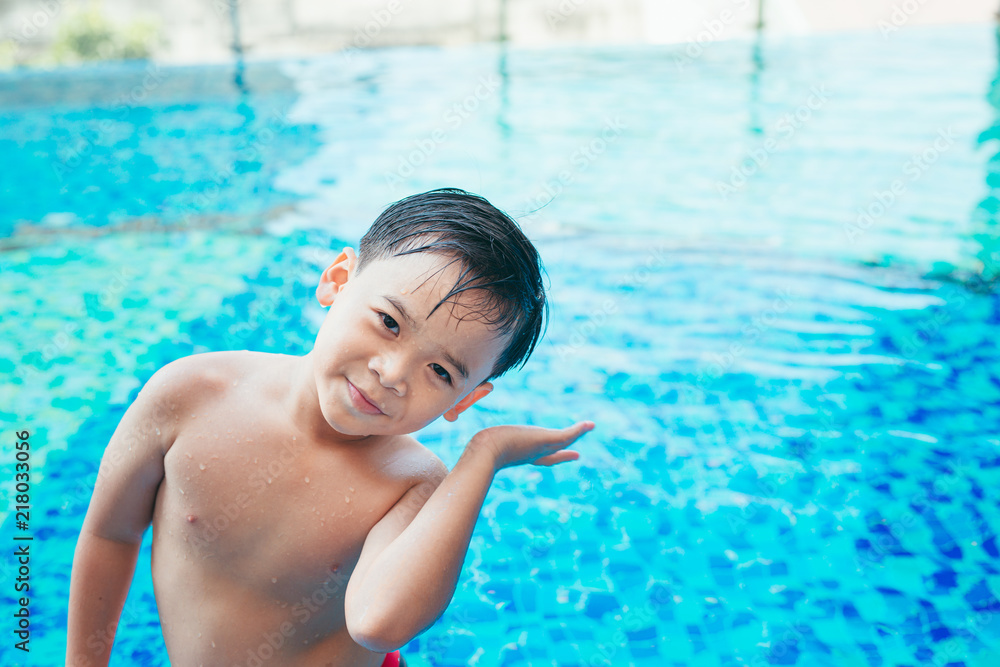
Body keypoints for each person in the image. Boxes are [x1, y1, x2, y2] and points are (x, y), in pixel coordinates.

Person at [66, 188, 594, 666]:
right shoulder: (188, 394)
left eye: (440, 371)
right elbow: (111, 533)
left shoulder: (411, 483)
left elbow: (378, 623)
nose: (391, 375)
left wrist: (484, 456)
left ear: (467, 399)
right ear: (338, 280)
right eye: (389, 322)